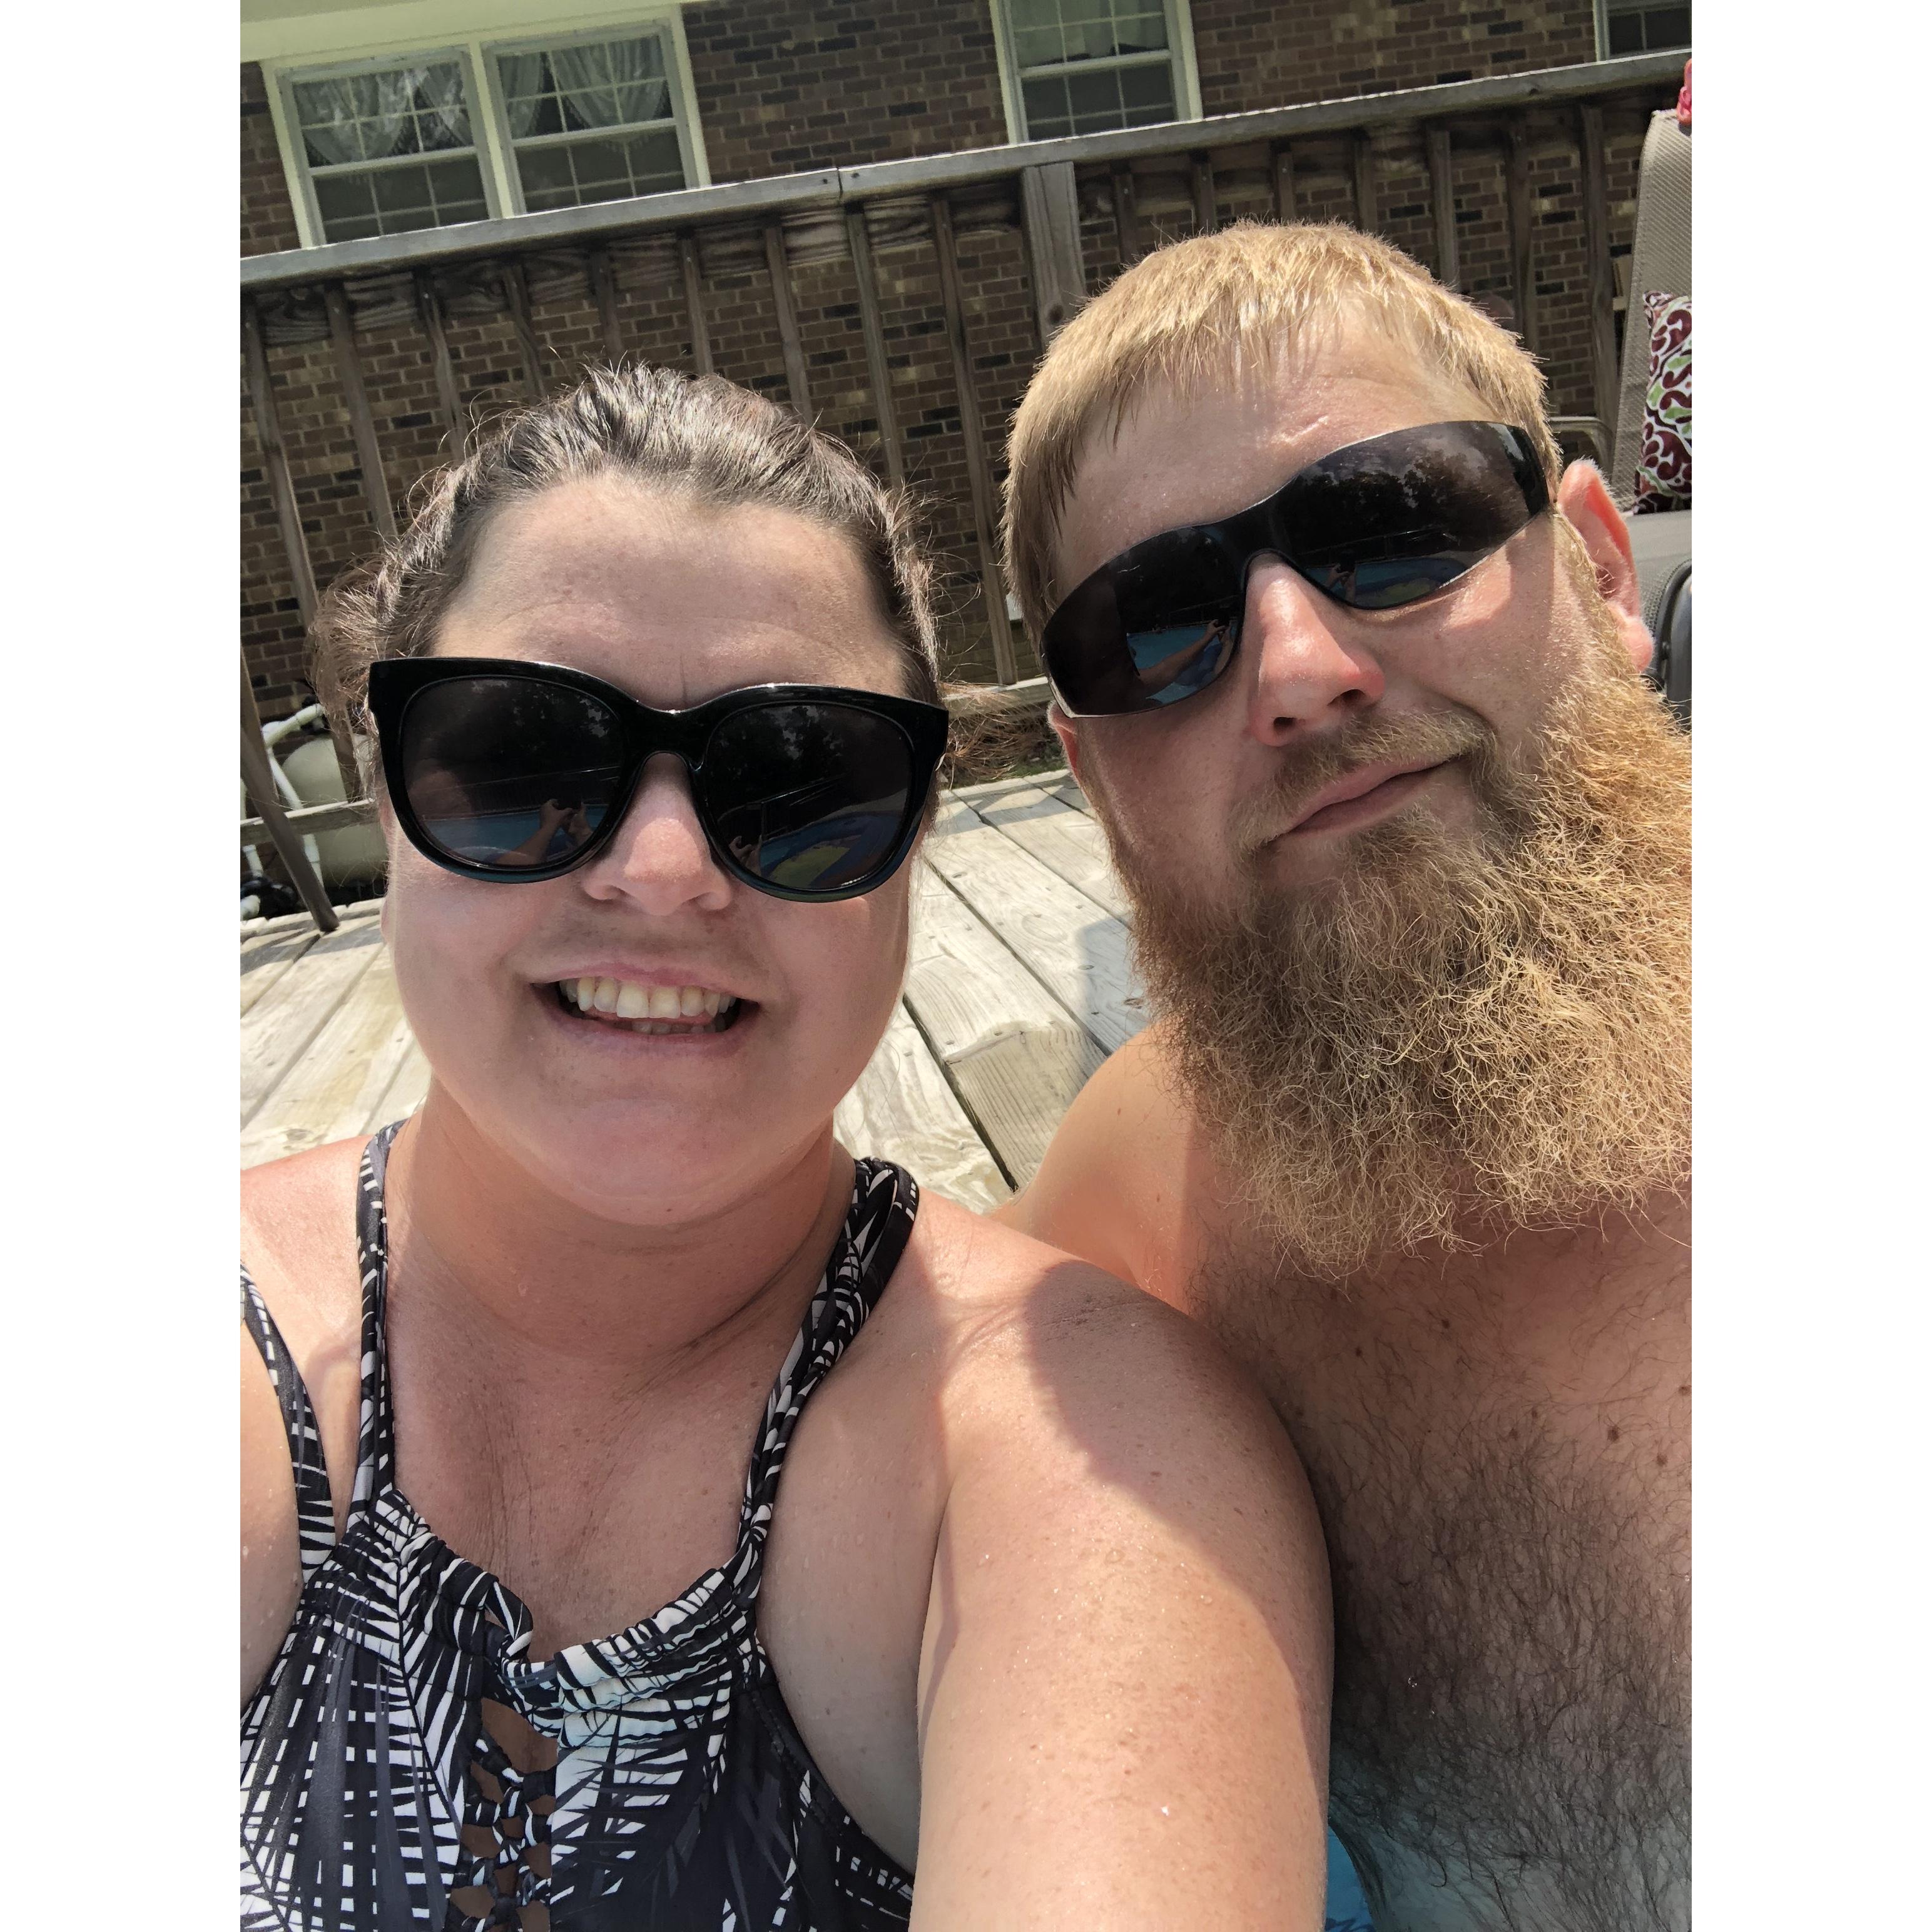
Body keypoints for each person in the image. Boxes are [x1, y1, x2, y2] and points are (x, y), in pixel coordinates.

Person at [240, 366, 1335, 1930]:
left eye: (801, 779)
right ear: (383, 783)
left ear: (915, 837)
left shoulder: (1077, 1450)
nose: (662, 866)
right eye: (522, 755)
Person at [997, 224, 1691, 1932]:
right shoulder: (1129, 1226)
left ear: (1603, 572)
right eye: (1158, 628)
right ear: (1094, 780)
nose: (1300, 672)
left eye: (1393, 524)